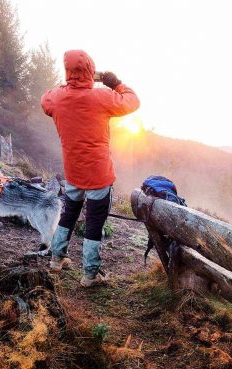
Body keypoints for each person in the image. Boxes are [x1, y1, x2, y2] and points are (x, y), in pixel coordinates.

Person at [41, 49, 140, 287]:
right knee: (94, 223)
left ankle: (56, 259)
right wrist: (114, 83)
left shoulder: (56, 97)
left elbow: (46, 99)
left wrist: (68, 82)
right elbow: (133, 102)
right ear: (90, 70)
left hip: (73, 172)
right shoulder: (101, 97)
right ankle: (90, 274)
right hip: (98, 174)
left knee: (69, 214)